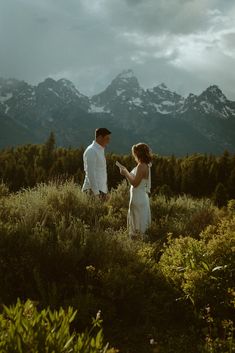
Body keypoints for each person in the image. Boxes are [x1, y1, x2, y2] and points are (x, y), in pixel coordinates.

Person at [118, 143, 152, 239]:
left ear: (138, 154)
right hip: (140, 197)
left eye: (135, 153)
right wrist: (125, 171)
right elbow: (136, 178)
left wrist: (125, 173)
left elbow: (135, 183)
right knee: (139, 223)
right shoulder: (144, 165)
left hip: (138, 198)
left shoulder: (141, 166)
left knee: (137, 225)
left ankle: (136, 245)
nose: (134, 156)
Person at [82, 128, 111, 200]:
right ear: (100, 138)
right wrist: (96, 194)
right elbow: (90, 174)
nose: (108, 141)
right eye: (107, 139)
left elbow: (102, 173)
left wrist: (105, 192)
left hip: (100, 191)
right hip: (91, 192)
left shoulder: (100, 150)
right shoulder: (91, 151)